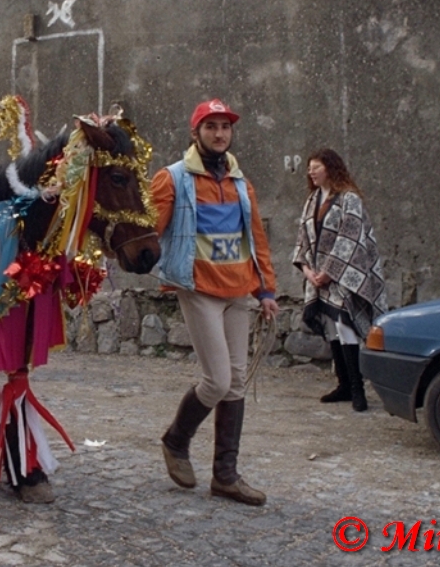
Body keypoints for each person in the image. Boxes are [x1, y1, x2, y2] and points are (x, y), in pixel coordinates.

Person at [152, 98, 279, 507]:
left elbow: (256, 239)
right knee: (218, 381)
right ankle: (176, 440)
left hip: (238, 292)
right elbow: (149, 230)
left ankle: (225, 476)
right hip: (199, 289)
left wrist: (266, 291)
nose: (220, 134)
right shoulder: (172, 179)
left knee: (236, 382)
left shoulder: (241, 183)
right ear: (196, 133)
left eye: (225, 127)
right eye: (211, 127)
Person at [293, 149, 386, 412]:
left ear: (331, 169)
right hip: (319, 277)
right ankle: (343, 385)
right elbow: (303, 238)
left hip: (344, 277)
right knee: (332, 328)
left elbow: (351, 239)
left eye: (316, 167)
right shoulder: (312, 200)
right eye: (309, 168)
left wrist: (330, 271)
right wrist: (307, 271)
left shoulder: (349, 199)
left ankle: (358, 390)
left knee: (346, 327)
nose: (311, 172)